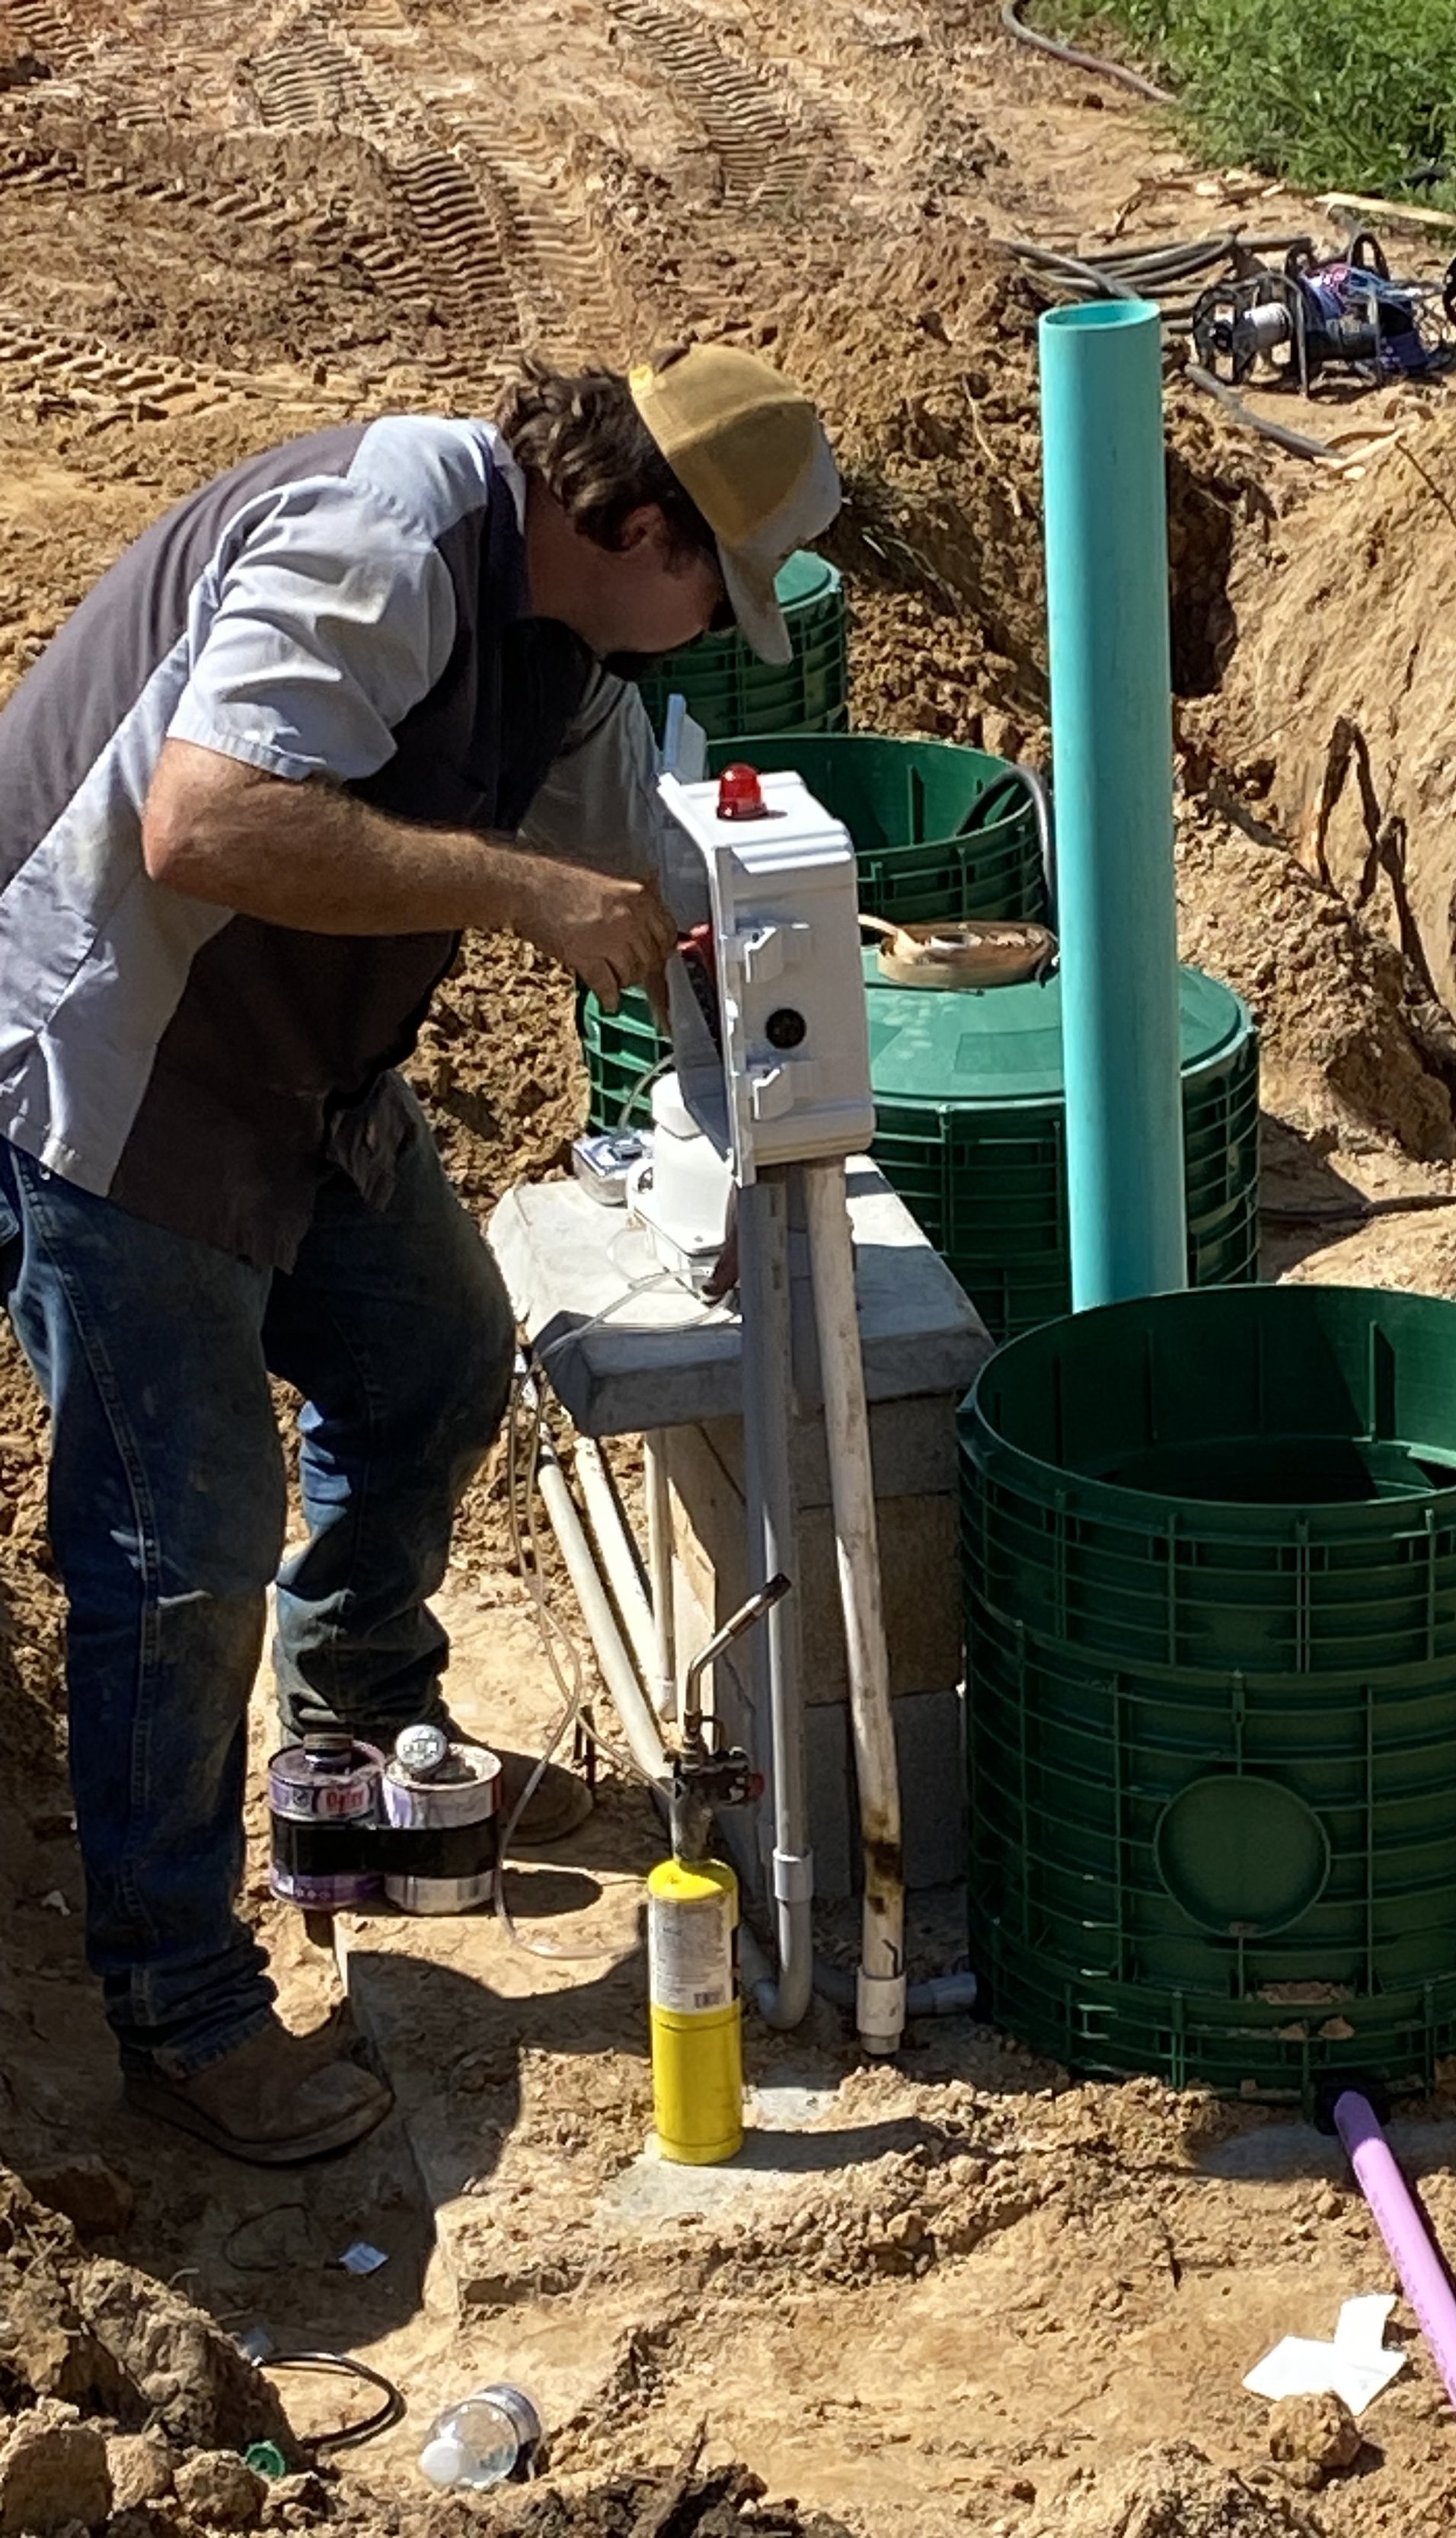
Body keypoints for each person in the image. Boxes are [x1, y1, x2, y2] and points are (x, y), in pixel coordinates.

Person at [0, 344, 841, 2164]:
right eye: (711, 585)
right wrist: (516, 888)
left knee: (436, 1358)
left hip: (297, 1069)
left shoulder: (567, 630)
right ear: (633, 523)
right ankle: (181, 2001)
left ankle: (370, 1721)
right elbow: (201, 817)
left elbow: (651, 852)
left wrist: (811, 982)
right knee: (176, 1550)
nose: (705, 632)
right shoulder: (386, 538)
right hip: (115, 1062)